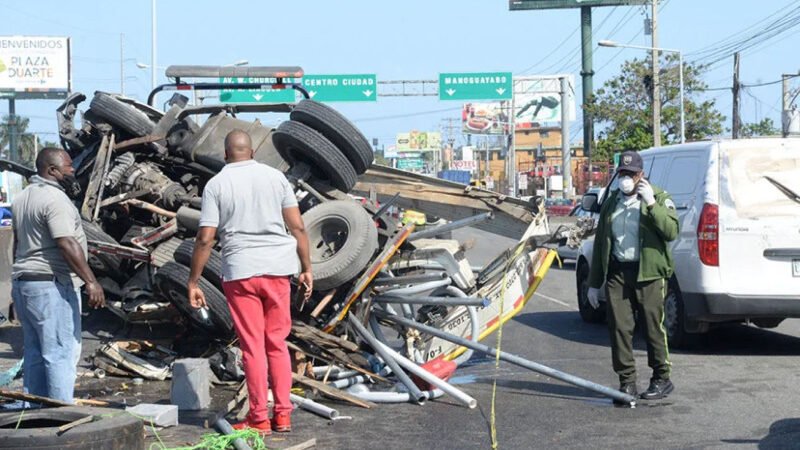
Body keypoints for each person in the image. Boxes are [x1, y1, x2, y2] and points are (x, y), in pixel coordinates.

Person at [188, 129, 312, 435]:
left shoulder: (216, 184)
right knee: (277, 344)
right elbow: (297, 226)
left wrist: (193, 281)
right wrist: (306, 268)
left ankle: (259, 419)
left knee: (253, 348)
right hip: (278, 269)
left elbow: (205, 238)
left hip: (241, 271)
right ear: (252, 152)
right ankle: (282, 416)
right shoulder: (276, 178)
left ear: (225, 155)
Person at [11, 147, 105, 403]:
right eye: (68, 167)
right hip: (51, 286)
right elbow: (66, 242)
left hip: (25, 283)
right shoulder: (55, 199)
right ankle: (61, 415)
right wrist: (91, 281)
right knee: (60, 353)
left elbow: (17, 244)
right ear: (52, 170)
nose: (73, 170)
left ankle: (36, 412)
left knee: (35, 352)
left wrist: (15, 286)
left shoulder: (22, 197)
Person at [586, 150, 679, 403]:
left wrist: (651, 204)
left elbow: (671, 231)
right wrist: (594, 283)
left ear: (641, 175)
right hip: (619, 272)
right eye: (622, 173)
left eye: (631, 174)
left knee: (652, 327)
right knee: (619, 328)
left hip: (648, 273)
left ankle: (661, 377)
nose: (626, 178)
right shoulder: (612, 202)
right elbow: (601, 243)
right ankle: (626, 382)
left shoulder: (658, 197)